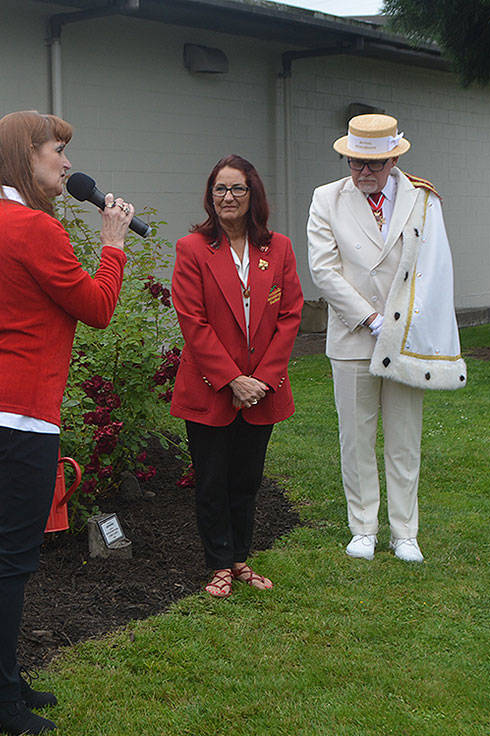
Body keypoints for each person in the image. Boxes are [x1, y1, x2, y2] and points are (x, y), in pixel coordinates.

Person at [0, 110, 134, 736]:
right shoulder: (32, 228)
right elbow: (98, 307)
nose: (65, 161)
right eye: (54, 149)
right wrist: (112, 245)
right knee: (12, 558)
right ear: (22, 157)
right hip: (22, 411)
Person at [307, 114, 466, 564]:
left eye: (373, 165)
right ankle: (363, 527)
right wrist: (370, 319)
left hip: (404, 337)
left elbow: (433, 271)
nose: (362, 173)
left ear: (394, 157)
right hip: (354, 335)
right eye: (354, 163)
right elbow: (324, 270)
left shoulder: (422, 198)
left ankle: (404, 532)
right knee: (355, 438)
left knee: (403, 438)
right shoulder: (325, 198)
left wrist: (397, 326)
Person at [170, 156, 303, 598]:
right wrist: (232, 380)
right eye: (219, 190)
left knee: (247, 479)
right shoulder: (192, 249)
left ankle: (241, 559)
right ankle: (218, 565)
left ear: (253, 195)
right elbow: (193, 321)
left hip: (261, 390)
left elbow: (290, 316)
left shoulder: (278, 248)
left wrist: (261, 379)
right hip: (210, 389)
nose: (227, 198)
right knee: (211, 480)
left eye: (236, 190)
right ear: (211, 198)